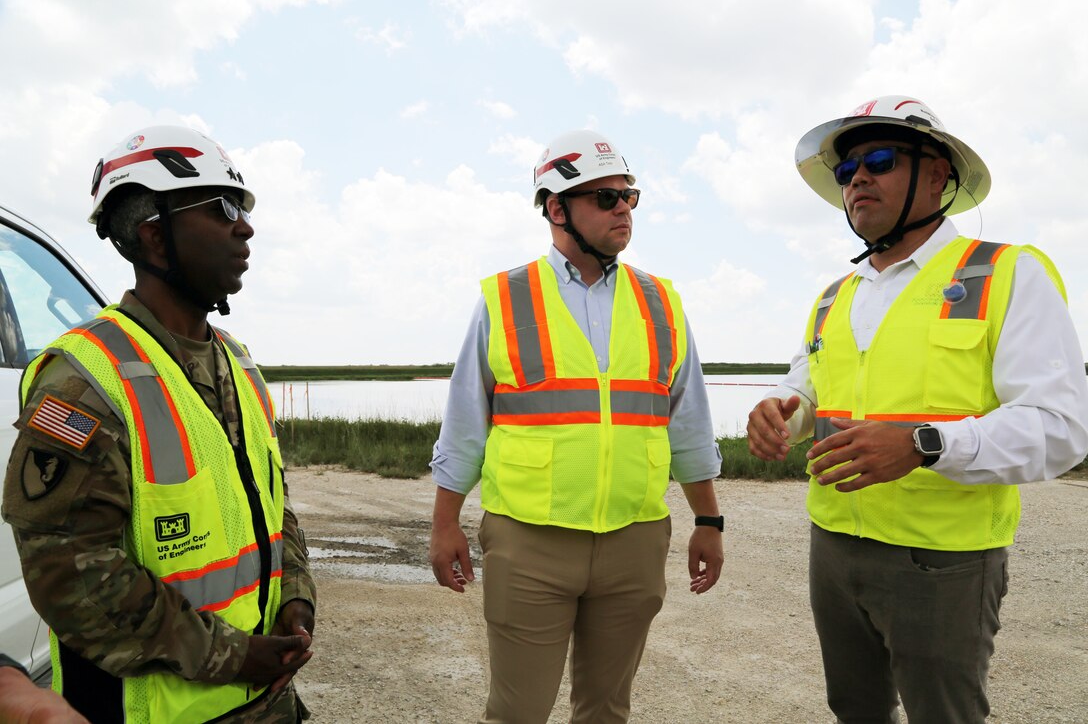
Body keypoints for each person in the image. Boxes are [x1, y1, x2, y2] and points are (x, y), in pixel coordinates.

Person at [747, 95, 1088, 723]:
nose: (858, 180)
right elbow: (809, 389)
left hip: (943, 560)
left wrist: (924, 444)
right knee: (855, 709)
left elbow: (1061, 429)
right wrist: (779, 414)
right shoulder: (833, 297)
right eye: (847, 172)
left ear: (939, 175)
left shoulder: (1007, 273)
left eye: (879, 159)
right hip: (834, 544)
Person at [1, 126, 317, 723]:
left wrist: (296, 598)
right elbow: (71, 579)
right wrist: (233, 656)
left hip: (269, 702)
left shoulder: (238, 362)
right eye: (223, 208)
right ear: (154, 235)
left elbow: (274, 508)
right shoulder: (85, 380)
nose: (244, 227)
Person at [428, 129, 724, 723]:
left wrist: (709, 521)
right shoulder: (504, 299)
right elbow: (466, 423)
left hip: (635, 539)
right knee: (517, 712)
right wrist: (443, 523)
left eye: (629, 196)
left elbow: (687, 422)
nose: (623, 210)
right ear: (556, 209)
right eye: (605, 198)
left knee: (607, 711)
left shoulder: (662, 301)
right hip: (528, 540)